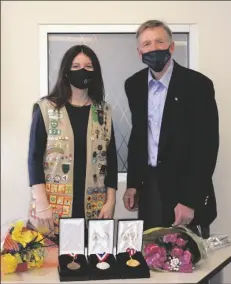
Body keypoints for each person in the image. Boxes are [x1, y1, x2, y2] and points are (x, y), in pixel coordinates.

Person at [123, 20, 219, 238]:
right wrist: (132, 185)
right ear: (140, 52)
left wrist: (190, 200)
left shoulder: (198, 85)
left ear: (171, 46)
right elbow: (138, 137)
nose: (153, 48)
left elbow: (207, 147)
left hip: (184, 193)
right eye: (147, 44)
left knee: (187, 264)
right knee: (151, 258)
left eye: (159, 41)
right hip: (149, 190)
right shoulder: (134, 85)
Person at [28, 45, 118, 236]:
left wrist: (111, 202)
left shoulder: (103, 111)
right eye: (75, 66)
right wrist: (41, 202)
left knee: (92, 262)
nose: (82, 70)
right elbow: (34, 158)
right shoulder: (46, 108)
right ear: (66, 72)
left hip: (94, 206)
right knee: (52, 262)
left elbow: (111, 160)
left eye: (88, 66)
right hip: (53, 205)